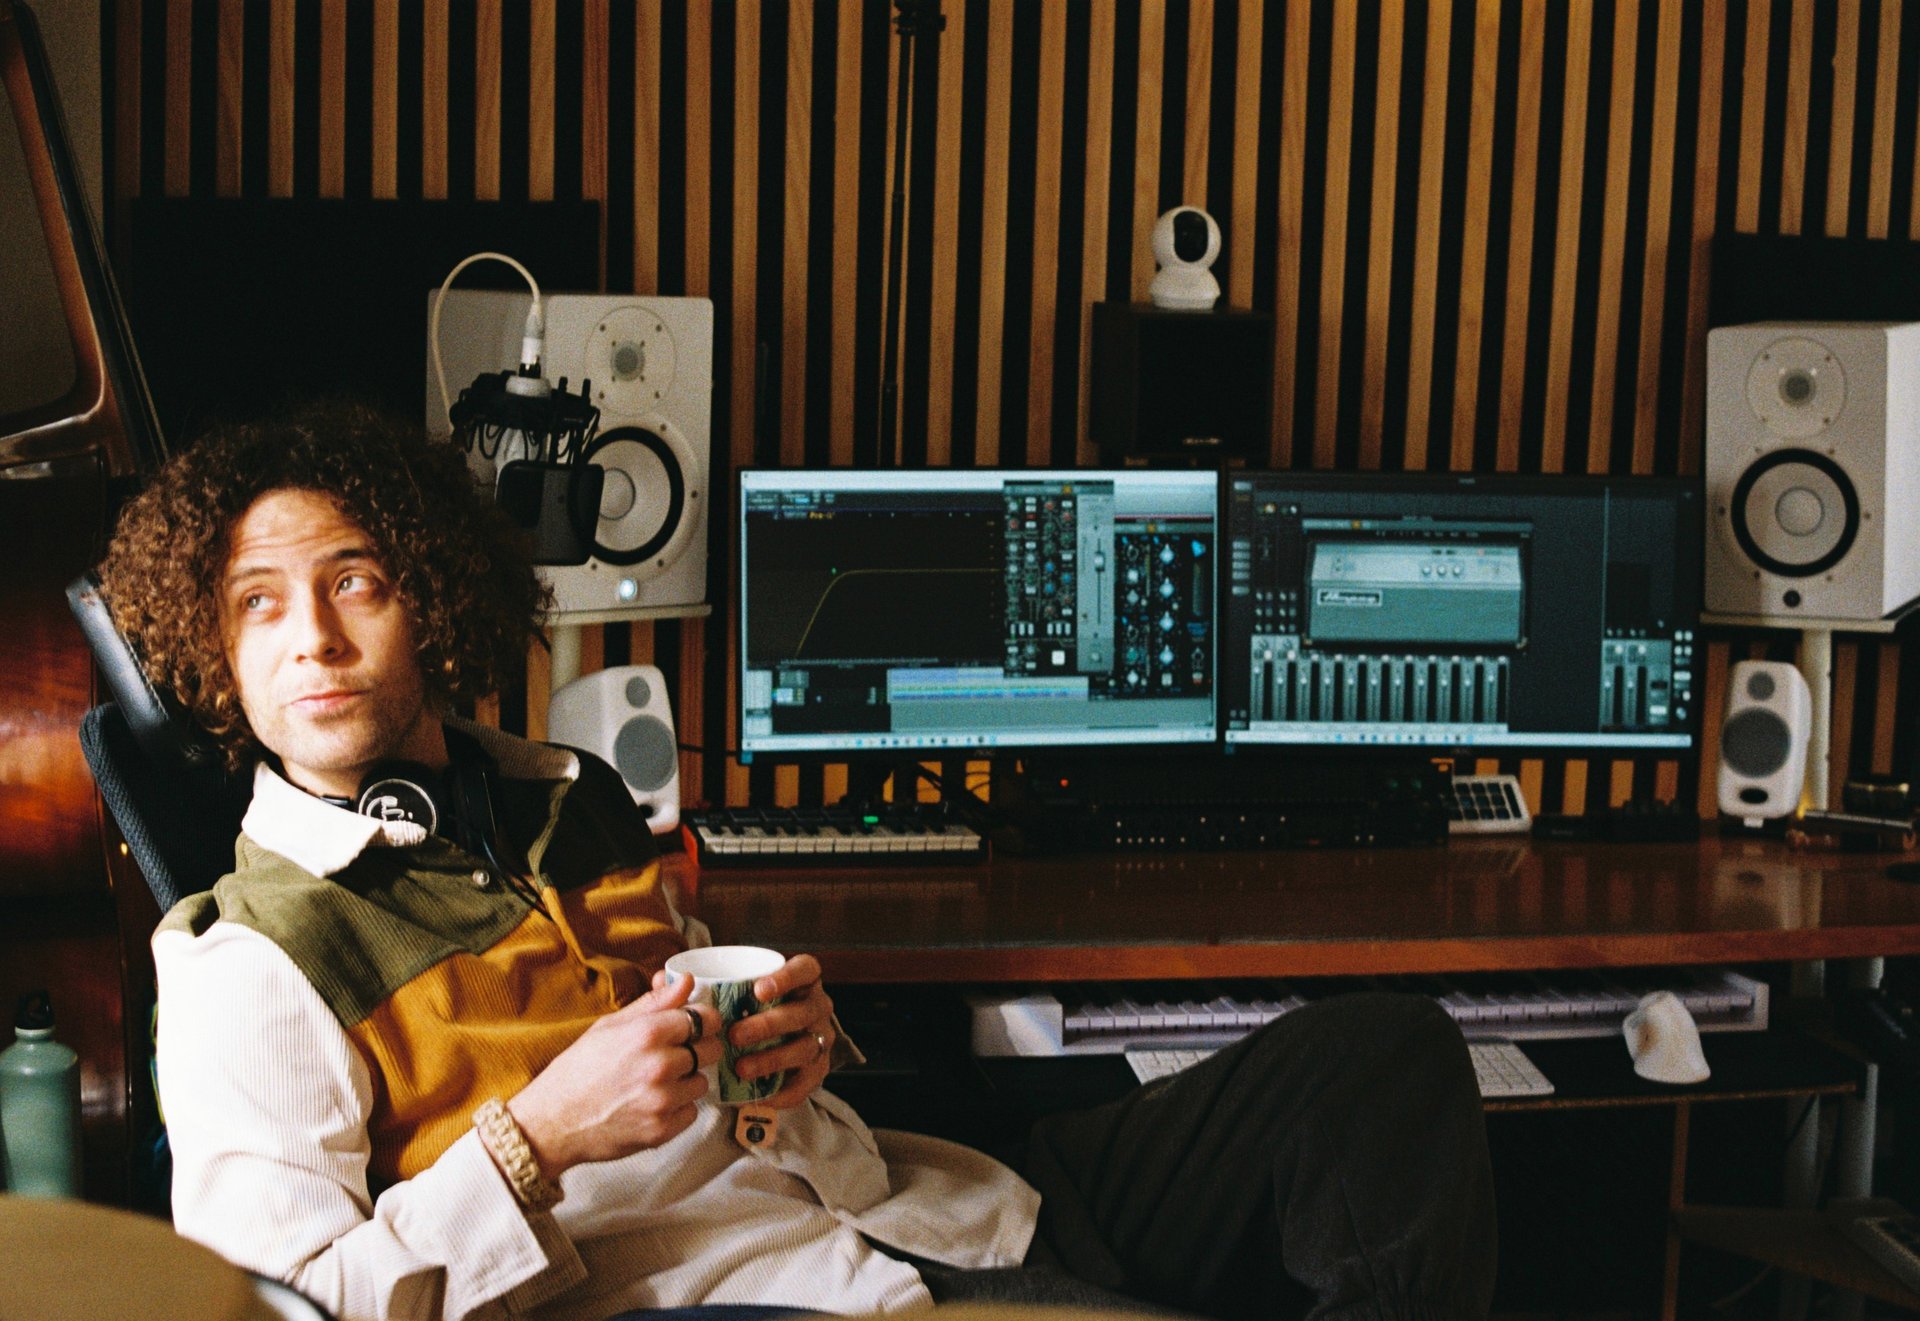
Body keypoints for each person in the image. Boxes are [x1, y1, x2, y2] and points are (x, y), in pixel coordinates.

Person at [97, 400, 1497, 1321]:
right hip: (733, 1287)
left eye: (356, 582)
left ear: (433, 596)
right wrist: (540, 1139)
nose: (315, 640)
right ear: (214, 653)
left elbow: (736, 1054)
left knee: (1384, 1054)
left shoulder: (568, 797)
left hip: (915, 1190)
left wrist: (800, 1043)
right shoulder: (243, 960)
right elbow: (288, 1305)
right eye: (258, 605)